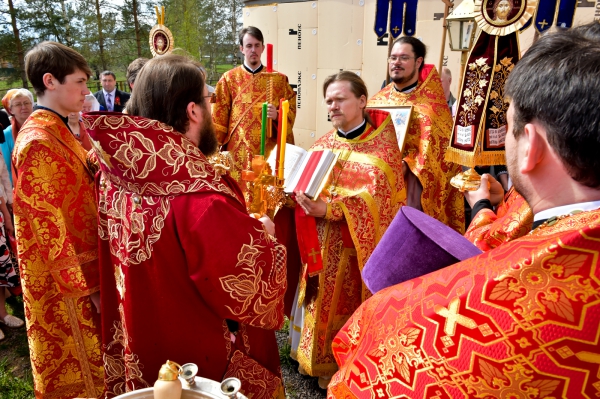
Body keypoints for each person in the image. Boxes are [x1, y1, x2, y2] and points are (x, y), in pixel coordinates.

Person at [327, 24, 600, 398]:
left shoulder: (450, 315)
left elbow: (359, 377)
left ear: (530, 145)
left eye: (509, 126)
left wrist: (480, 206)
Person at [83, 54, 288, 399]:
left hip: (138, 327)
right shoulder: (200, 198)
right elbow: (247, 285)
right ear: (193, 111)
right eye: (209, 100)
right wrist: (265, 236)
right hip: (200, 355)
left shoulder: (114, 173)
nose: (212, 110)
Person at [292, 71, 405, 389]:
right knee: (316, 299)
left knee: (343, 304)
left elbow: (380, 203)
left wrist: (330, 209)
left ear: (362, 101)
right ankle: (312, 359)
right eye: (329, 100)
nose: (333, 106)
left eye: (340, 99)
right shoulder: (323, 144)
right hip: (318, 244)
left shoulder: (381, 151)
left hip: (353, 253)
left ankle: (344, 364)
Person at [14, 41, 103, 398]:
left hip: (84, 272)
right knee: (81, 371)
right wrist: (91, 288)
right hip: (68, 286)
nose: (86, 90)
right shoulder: (38, 141)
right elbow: (53, 230)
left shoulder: (58, 129)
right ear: (50, 81)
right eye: (79, 82)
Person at [369, 37, 465, 233]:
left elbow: (437, 158)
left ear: (418, 62)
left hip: (412, 193)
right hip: (377, 188)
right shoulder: (377, 101)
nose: (396, 62)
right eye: (393, 57)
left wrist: (407, 164)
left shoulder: (430, 108)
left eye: (404, 58)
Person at [212, 26, 296, 201]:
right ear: (241, 49)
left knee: (265, 199)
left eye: (257, 45)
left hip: (268, 150)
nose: (253, 50)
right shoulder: (229, 79)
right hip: (238, 153)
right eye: (249, 46)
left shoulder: (279, 80)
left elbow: (291, 110)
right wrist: (213, 152)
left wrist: (279, 115)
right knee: (238, 198)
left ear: (263, 48)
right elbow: (218, 119)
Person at [2, 88, 34, 185]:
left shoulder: (44, 127)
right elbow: (6, 167)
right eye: (18, 104)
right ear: (11, 110)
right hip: (19, 186)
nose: (23, 107)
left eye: (26, 103)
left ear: (32, 105)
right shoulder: (6, 134)